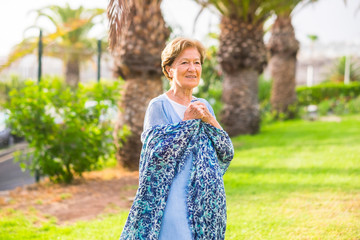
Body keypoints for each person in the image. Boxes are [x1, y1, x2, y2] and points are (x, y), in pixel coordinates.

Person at [120, 37, 234, 240]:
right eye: (184, 62)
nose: (192, 68)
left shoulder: (204, 105)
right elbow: (156, 158)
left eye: (196, 62)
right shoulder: (158, 106)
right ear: (169, 69)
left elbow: (226, 151)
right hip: (172, 200)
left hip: (206, 204)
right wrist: (188, 123)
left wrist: (208, 118)